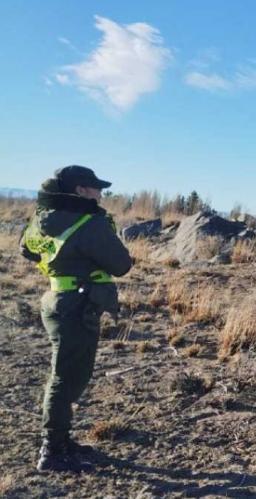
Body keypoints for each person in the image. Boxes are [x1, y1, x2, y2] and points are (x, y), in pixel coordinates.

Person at [20, 166, 133, 472]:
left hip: (56, 301)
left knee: (66, 374)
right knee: (67, 377)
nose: (100, 193)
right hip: (78, 306)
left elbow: (27, 250)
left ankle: (61, 441)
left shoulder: (44, 217)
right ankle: (52, 450)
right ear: (80, 191)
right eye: (95, 188)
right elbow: (122, 264)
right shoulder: (90, 222)